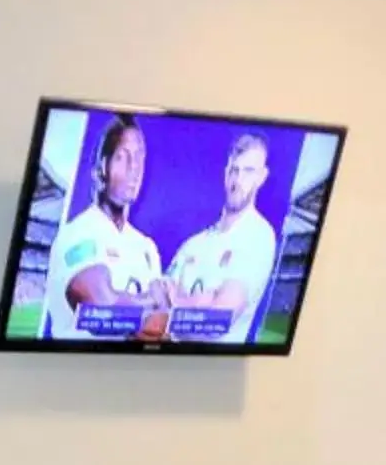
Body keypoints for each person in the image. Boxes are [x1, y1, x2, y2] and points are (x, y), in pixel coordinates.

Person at [43, 115, 165, 340]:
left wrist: (148, 310)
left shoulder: (146, 247)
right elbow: (103, 307)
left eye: (139, 158)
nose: (134, 168)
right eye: (122, 157)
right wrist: (153, 299)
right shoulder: (77, 234)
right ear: (102, 166)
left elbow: (161, 326)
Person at [164, 131, 281, 344]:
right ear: (226, 173)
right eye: (234, 170)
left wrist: (176, 300)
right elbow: (156, 304)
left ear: (261, 177)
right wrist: (198, 303)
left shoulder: (258, 236)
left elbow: (215, 323)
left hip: (216, 372)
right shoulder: (194, 244)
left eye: (248, 171)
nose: (238, 180)